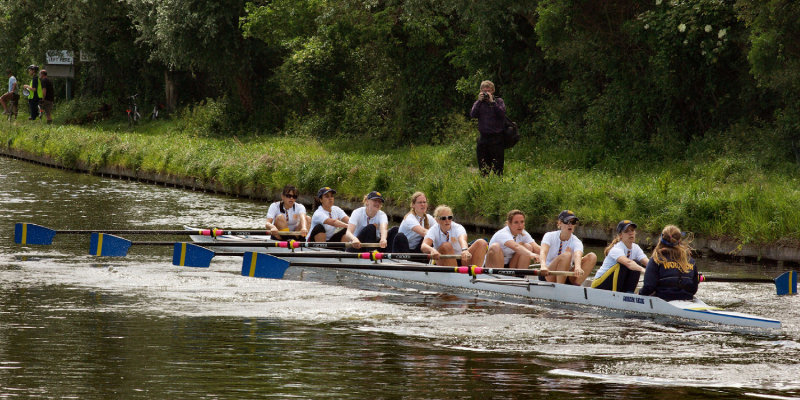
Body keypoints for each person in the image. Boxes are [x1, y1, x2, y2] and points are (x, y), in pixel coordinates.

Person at [639, 225, 698, 301]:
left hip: (663, 299)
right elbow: (693, 289)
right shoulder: (690, 260)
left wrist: (640, 294)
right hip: (687, 298)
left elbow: (648, 287)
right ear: (679, 241)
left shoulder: (657, 259)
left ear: (661, 239)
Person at [538, 210, 597, 285]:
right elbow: (543, 252)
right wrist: (543, 265)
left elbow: (578, 255)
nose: (570, 225)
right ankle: (560, 288)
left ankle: (575, 286)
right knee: (567, 255)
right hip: (547, 274)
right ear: (559, 223)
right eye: (567, 221)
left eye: (573, 222)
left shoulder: (577, 242)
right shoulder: (549, 236)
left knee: (592, 256)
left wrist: (578, 267)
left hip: (566, 275)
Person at [591, 220, 648, 293]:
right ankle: (617, 294)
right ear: (620, 235)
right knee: (624, 265)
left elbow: (647, 263)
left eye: (632, 230)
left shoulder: (636, 247)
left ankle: (629, 293)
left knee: (637, 263)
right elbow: (628, 263)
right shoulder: (616, 248)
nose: (631, 233)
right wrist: (644, 270)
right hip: (599, 284)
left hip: (615, 282)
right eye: (626, 231)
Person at [421, 205, 488, 267]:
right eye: (443, 218)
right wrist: (432, 250)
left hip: (462, 258)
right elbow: (424, 246)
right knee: (446, 246)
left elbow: (462, 240)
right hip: (443, 259)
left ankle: (475, 274)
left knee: (482, 243)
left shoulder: (458, 227)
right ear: (437, 220)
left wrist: (465, 250)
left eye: (449, 218)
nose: (447, 221)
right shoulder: (433, 230)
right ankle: (456, 277)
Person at [469, 80, 506, 176]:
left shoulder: (498, 101)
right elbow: (473, 115)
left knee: (498, 168)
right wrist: (478, 101)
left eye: (488, 89)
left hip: (497, 138)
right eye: (483, 89)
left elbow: (502, 114)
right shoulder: (479, 103)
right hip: (483, 138)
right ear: (480, 91)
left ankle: (498, 187)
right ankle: (485, 188)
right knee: (483, 168)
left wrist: (492, 102)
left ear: (492, 90)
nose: (485, 91)